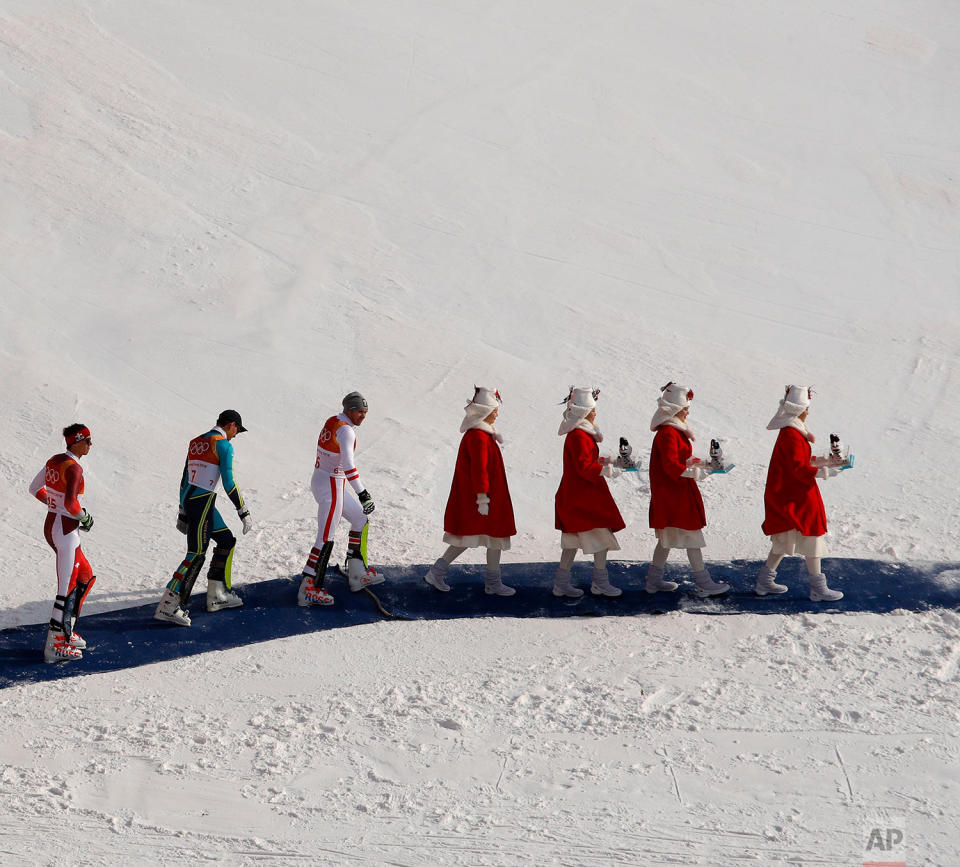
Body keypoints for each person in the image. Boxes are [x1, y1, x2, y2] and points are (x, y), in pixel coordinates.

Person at [155, 410, 252, 626]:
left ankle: (217, 596)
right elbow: (229, 483)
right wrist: (242, 510)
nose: (236, 435)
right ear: (231, 425)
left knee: (226, 540)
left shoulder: (196, 442)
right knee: (196, 553)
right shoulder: (224, 446)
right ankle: (168, 606)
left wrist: (182, 508)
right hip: (202, 504)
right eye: (237, 430)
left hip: (195, 501)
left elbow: (184, 477)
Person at [423, 387, 517, 595]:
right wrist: (482, 497)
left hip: (488, 496)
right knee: (474, 536)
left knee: (488, 536)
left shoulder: (482, 434)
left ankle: (487, 580)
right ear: (484, 412)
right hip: (482, 498)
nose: (497, 414)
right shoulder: (478, 437)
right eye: (494, 410)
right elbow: (479, 469)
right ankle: (439, 573)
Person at [757, 385, 845, 601]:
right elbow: (798, 468)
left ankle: (764, 581)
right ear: (799, 410)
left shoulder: (790, 433)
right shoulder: (793, 435)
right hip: (798, 497)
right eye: (806, 408)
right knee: (812, 537)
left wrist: (822, 461)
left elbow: (797, 462)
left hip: (790, 495)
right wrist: (826, 470)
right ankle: (817, 587)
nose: (808, 412)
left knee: (784, 539)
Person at [298, 392, 384, 605]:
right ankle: (308, 588)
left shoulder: (334, 420)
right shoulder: (346, 431)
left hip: (324, 480)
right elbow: (348, 465)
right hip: (332, 485)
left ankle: (356, 573)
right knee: (325, 537)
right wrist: (362, 493)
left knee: (359, 520)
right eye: (359, 411)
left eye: (365, 412)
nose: (363, 416)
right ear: (349, 410)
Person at [646, 382, 729, 597]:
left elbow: (678, 460)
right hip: (675, 496)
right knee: (692, 537)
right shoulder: (668, 434)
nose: (688, 411)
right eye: (685, 408)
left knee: (666, 539)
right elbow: (671, 466)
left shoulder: (673, 431)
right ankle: (703, 582)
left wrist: (696, 463)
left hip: (674, 493)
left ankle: (653, 580)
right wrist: (696, 471)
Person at [28, 424, 97, 663]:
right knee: (65, 588)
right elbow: (71, 506)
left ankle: (65, 631)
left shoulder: (54, 461)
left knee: (85, 574)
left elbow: (34, 488)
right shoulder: (74, 468)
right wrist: (85, 517)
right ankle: (54, 646)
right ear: (76, 442)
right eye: (87, 440)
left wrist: (52, 504)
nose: (90, 444)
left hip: (53, 524)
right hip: (66, 530)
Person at [553, 387, 625, 597]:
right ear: (583, 412)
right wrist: (606, 470)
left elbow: (584, 462)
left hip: (576, 495)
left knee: (572, 541)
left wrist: (606, 461)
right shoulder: (579, 437)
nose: (595, 413)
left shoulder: (580, 435)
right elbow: (584, 467)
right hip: (584, 499)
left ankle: (561, 583)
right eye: (592, 410)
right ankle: (600, 582)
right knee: (601, 537)